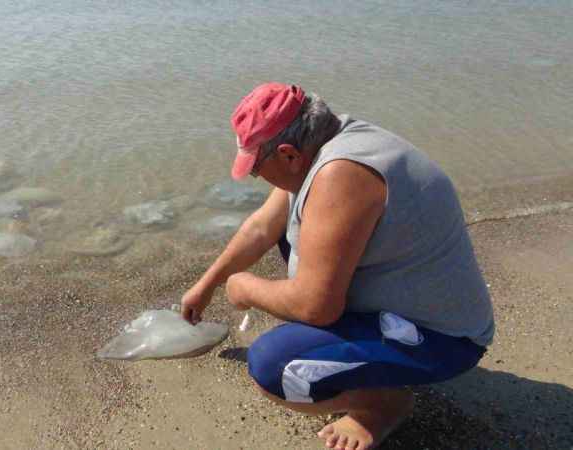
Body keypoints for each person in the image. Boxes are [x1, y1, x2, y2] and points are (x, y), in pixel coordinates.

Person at [180, 83, 495, 450]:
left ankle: (382, 406)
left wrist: (245, 287)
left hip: (444, 339)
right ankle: (371, 368)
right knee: (288, 230)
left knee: (274, 366)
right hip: (409, 301)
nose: (257, 178)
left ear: (288, 154)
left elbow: (317, 307)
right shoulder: (324, 143)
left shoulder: (341, 176)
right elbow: (262, 226)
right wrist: (209, 284)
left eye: (256, 169)